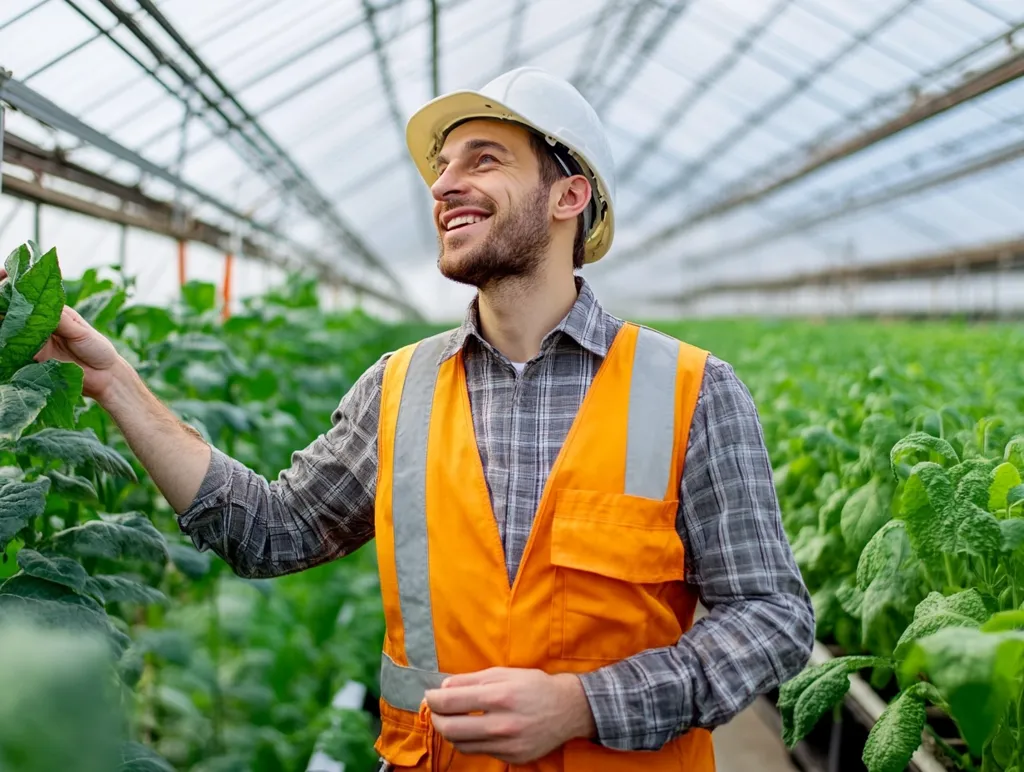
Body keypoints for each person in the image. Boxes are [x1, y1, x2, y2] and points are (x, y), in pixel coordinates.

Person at [34, 67, 814, 771]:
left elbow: (771, 617)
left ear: (568, 196)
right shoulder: (399, 386)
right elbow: (269, 529)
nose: (443, 186)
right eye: (441, 169)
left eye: (483, 160)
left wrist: (584, 705)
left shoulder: (691, 390)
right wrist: (115, 384)